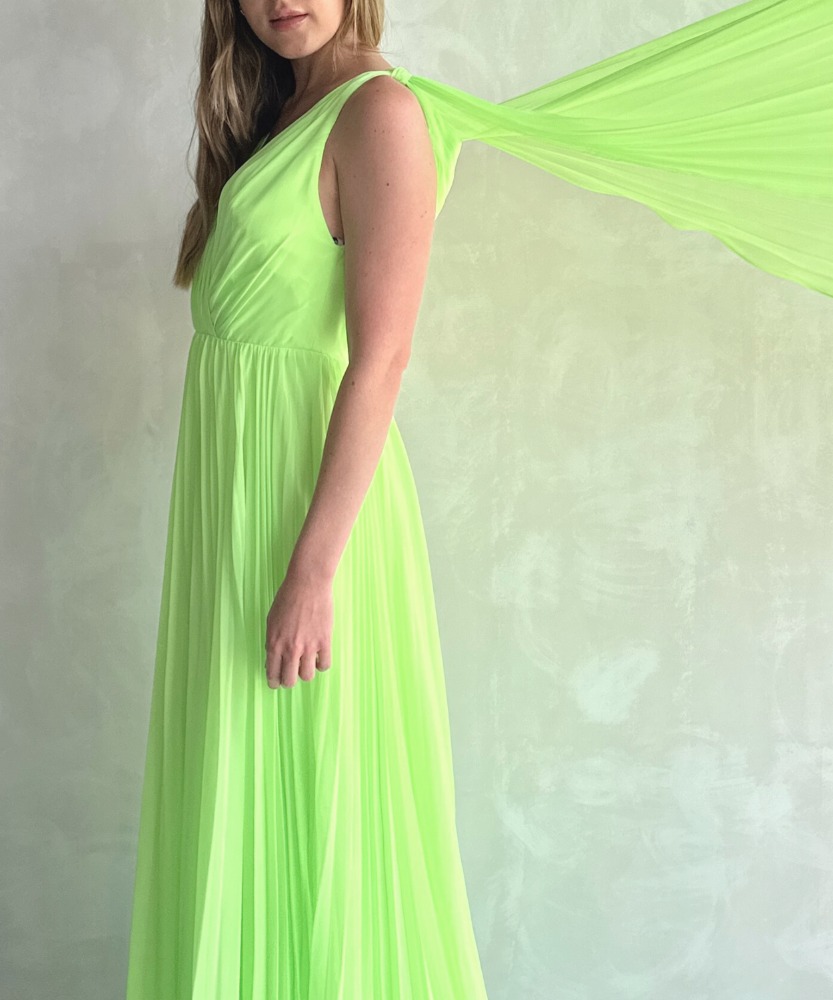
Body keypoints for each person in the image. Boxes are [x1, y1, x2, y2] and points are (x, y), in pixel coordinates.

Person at [126, 0, 831, 996]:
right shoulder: (281, 114)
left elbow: (379, 359)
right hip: (235, 503)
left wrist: (313, 572)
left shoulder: (378, 114)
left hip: (308, 517)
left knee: (314, 786)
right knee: (238, 775)